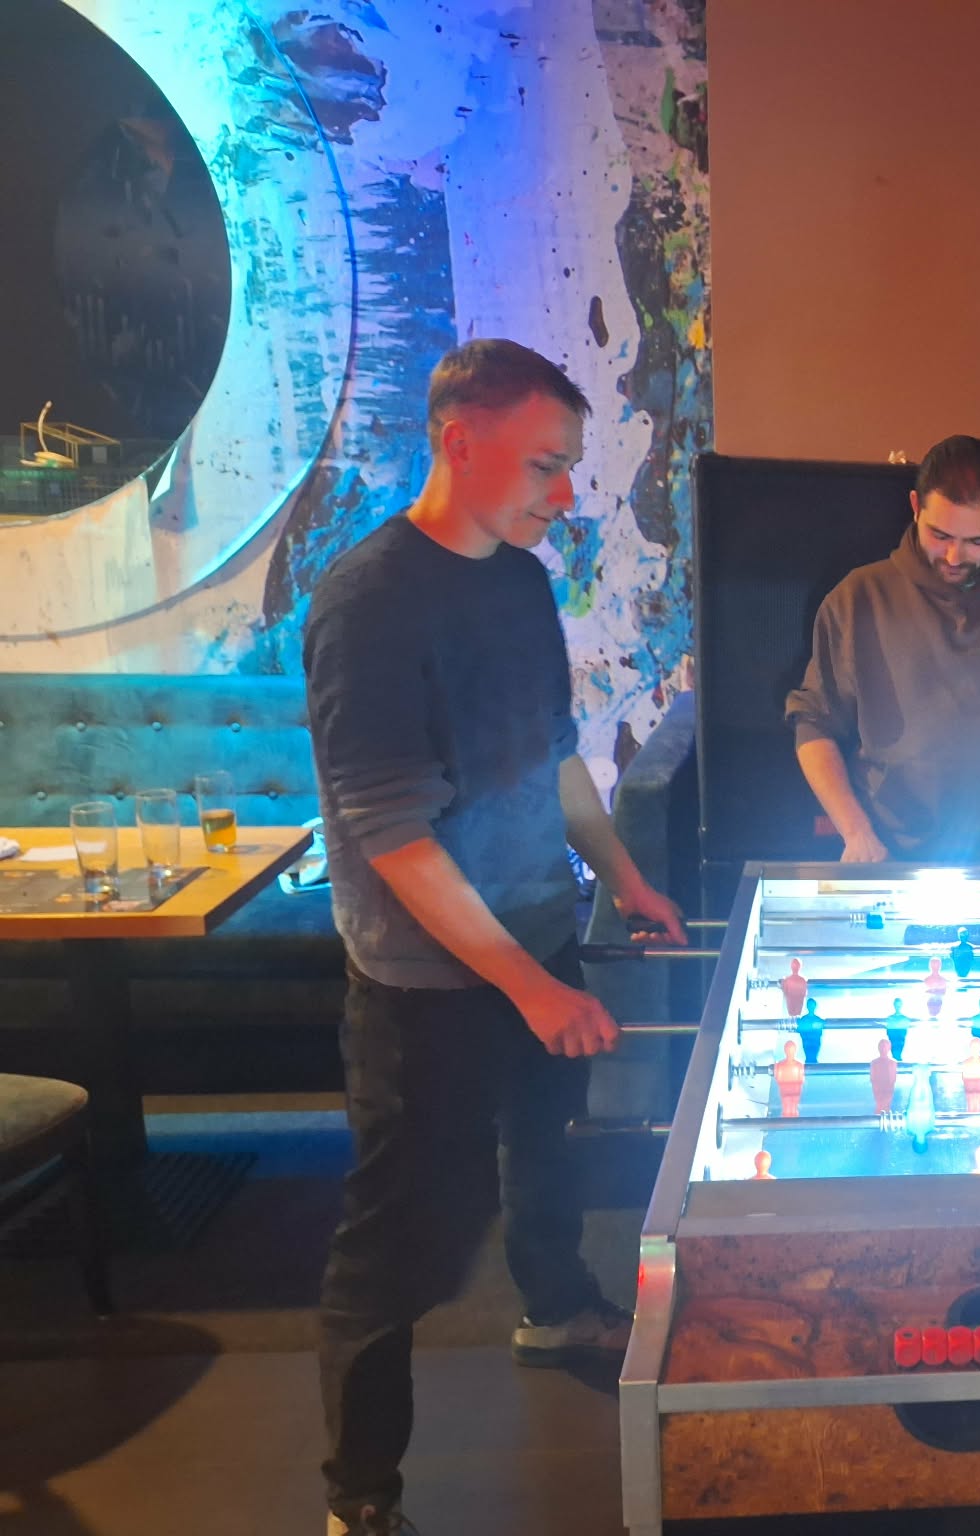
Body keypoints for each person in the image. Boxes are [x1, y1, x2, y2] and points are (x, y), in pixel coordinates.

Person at [305, 339, 686, 1536]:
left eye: (569, 466)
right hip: (425, 983)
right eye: (542, 465)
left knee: (546, 1151)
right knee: (398, 1241)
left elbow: (555, 753)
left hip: (535, 936)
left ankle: (553, 1306)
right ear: (457, 441)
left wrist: (622, 875)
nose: (564, 493)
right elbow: (392, 833)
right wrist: (529, 987)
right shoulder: (366, 602)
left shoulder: (520, 581)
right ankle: (359, 1492)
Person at [785, 435, 980, 863]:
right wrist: (856, 832)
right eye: (939, 535)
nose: (954, 556)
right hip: (887, 853)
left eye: (977, 541)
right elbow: (814, 723)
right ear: (915, 507)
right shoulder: (858, 598)